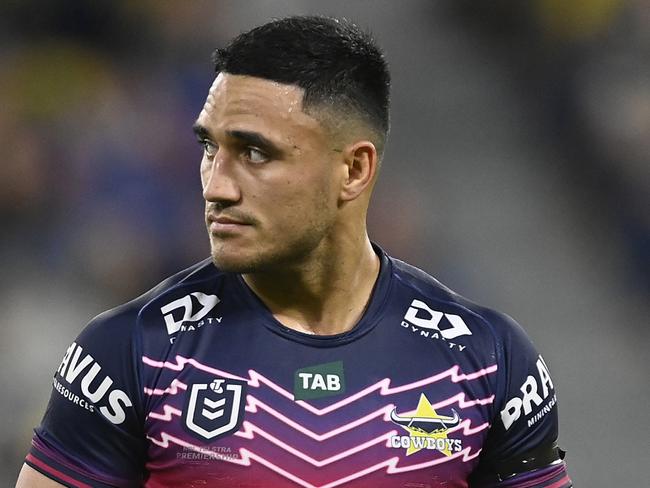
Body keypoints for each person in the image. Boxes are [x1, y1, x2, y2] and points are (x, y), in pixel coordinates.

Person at [16, 15, 572, 488]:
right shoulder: (131, 352)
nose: (216, 185)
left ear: (353, 169)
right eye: (210, 146)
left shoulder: (488, 361)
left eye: (255, 152)